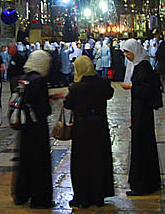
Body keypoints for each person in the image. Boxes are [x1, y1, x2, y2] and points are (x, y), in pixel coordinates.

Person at [61, 56, 114, 208]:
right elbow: (110, 94)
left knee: (82, 162)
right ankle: (98, 196)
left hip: (82, 129)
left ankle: (82, 198)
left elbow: (68, 104)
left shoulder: (76, 88)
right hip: (100, 128)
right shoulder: (103, 83)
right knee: (99, 160)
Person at [13, 50, 53, 209]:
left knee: (25, 162)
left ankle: (22, 195)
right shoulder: (39, 81)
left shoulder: (23, 79)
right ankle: (40, 199)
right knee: (39, 163)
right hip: (37, 128)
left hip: (25, 126)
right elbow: (44, 109)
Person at [120, 39, 161, 196]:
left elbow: (146, 90)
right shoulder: (139, 64)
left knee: (142, 145)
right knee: (142, 145)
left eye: (127, 52)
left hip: (143, 112)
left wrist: (131, 87)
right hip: (139, 110)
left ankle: (143, 185)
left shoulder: (143, 66)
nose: (126, 55)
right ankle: (145, 181)